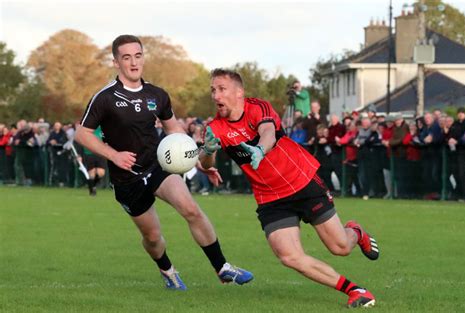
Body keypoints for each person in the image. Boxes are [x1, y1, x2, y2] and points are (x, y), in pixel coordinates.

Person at [74, 35, 253, 290]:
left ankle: (222, 267)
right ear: (116, 62)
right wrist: (113, 155)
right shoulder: (105, 97)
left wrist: (198, 162)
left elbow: (175, 131)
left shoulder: (156, 94)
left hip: (157, 166)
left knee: (191, 208)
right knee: (153, 237)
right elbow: (82, 133)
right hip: (127, 180)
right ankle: (167, 270)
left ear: (143, 58)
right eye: (126, 57)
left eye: (138, 55)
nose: (134, 62)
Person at [200, 69, 379, 308]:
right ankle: (356, 291)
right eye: (213, 90)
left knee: (341, 247)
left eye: (221, 89)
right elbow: (204, 161)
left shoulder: (257, 108)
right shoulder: (215, 127)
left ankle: (355, 231)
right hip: (270, 198)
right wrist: (209, 152)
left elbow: (267, 132)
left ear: (239, 92)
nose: (216, 95)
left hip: (302, 181)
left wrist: (260, 150)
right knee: (289, 256)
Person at [81, 126, 107, 196]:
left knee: (101, 173)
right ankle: (92, 190)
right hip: (89, 153)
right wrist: (79, 155)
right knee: (91, 173)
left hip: (100, 153)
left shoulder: (102, 128)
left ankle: (92, 185)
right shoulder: (86, 128)